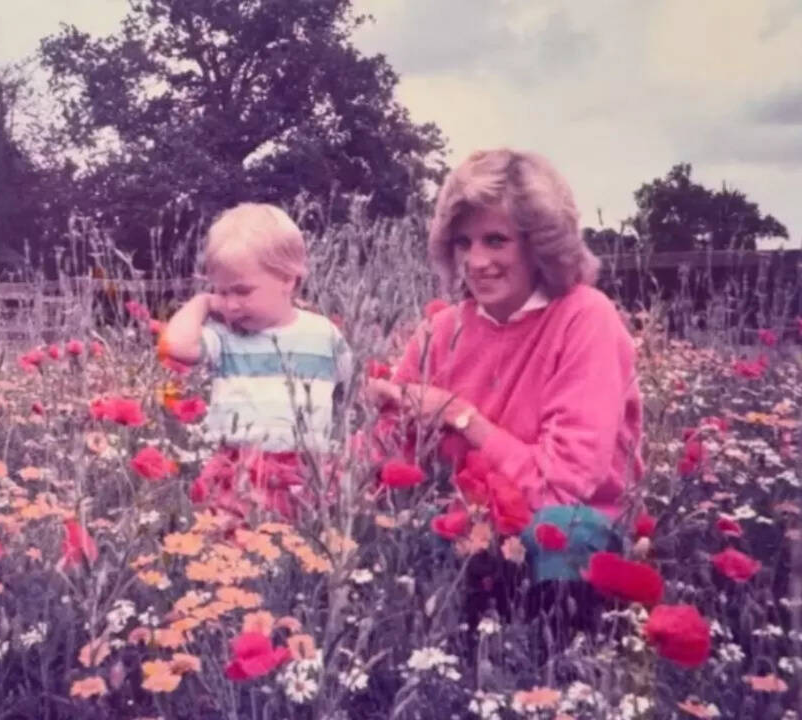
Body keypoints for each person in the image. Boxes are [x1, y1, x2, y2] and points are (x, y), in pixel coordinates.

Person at [366, 148, 644, 651]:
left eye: (496, 240)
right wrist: (373, 421)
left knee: (559, 532)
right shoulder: (441, 330)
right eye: (464, 242)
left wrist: (458, 415)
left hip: (564, 536)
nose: (476, 262)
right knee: (387, 547)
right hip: (466, 530)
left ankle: (561, 675)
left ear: (541, 244)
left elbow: (561, 489)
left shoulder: (586, 318)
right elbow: (386, 463)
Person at [161, 203, 353, 520]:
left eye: (242, 291)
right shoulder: (224, 338)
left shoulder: (323, 335)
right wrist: (203, 302)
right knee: (232, 553)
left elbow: (349, 391)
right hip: (236, 469)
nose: (231, 305)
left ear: (288, 280)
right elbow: (175, 345)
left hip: (302, 471)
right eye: (222, 292)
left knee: (294, 553)